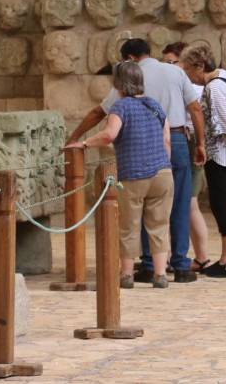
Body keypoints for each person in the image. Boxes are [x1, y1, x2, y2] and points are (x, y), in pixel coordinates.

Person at [67, 38, 206, 283]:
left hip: (140, 145)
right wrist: (201, 144)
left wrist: (76, 137)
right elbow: (195, 108)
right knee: (179, 204)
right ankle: (181, 265)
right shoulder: (175, 72)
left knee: (138, 209)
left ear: (129, 58)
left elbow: (100, 112)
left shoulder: (129, 75)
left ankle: (148, 265)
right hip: (177, 139)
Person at [67, 61, 173, 288]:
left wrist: (84, 143)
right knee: (159, 225)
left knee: (129, 225)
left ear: (118, 84)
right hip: (163, 173)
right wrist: (164, 164)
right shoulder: (155, 106)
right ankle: (160, 274)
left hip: (134, 173)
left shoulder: (121, 107)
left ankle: (126, 275)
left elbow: (109, 134)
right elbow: (166, 139)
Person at [178, 44, 226, 278]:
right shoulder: (225, 76)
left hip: (221, 155)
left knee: (221, 205)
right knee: (221, 203)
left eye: (188, 70)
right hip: (223, 152)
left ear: (199, 66)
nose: (187, 76)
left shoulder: (214, 88)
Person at [162, 42, 211, 272]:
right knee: (184, 204)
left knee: (188, 204)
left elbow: (195, 113)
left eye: (173, 62)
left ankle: (198, 257)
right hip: (184, 142)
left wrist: (199, 144)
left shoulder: (192, 87)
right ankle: (187, 256)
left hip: (186, 142)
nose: (169, 67)